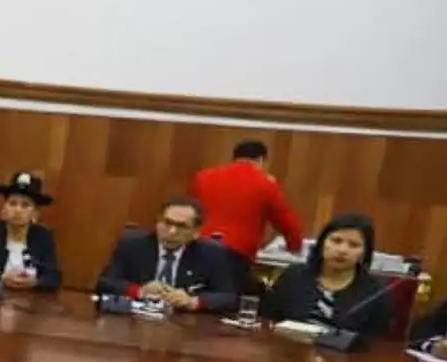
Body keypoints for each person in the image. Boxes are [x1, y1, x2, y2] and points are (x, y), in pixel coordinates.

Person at [190, 139, 304, 293]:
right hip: (236, 253)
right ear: (261, 160)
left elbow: (190, 211)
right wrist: (295, 247)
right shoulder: (265, 183)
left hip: (199, 247)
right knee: (226, 298)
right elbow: (285, 221)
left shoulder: (202, 177)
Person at [261, 212, 392, 339]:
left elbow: (375, 346)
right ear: (322, 242)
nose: (342, 250)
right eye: (336, 241)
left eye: (354, 245)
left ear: (365, 253)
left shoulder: (374, 294)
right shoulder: (293, 275)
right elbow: (266, 320)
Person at [96, 197, 237, 314]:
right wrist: (140, 291)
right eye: (167, 223)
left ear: (196, 232)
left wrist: (193, 301)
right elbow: (105, 282)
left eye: (181, 226)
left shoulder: (211, 253)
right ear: (158, 223)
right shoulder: (132, 244)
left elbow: (228, 297)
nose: (171, 232)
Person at [0, 171, 62, 294]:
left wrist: (35, 282)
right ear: (4, 209)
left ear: (35, 213)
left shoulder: (43, 237)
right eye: (12, 203)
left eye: (25, 205)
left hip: (30, 305)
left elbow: (54, 277)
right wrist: (1, 277)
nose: (17, 210)